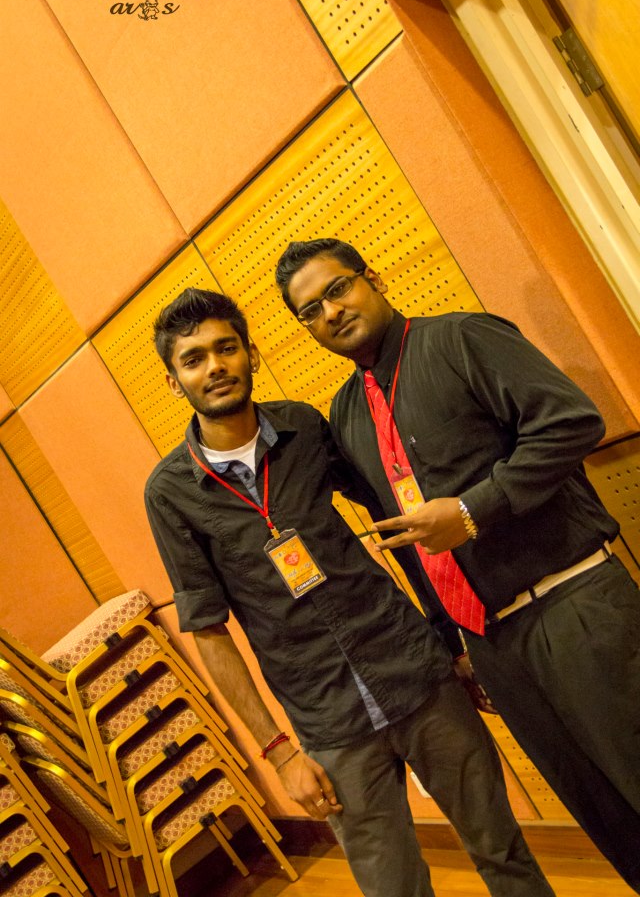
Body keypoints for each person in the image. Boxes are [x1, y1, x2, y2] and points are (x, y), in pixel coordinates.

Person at [144, 287, 555, 897]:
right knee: (393, 888)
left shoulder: (305, 427)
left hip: (415, 673)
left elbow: (403, 524)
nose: (215, 367)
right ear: (175, 381)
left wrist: (451, 641)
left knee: (504, 852)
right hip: (327, 718)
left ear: (251, 352)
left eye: (226, 348)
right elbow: (207, 629)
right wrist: (280, 753)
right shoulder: (170, 492)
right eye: (194, 358)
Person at [275, 238, 640, 893]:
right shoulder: (348, 412)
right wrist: (454, 644)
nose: (330, 311)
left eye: (337, 289)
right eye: (310, 310)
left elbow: (571, 421)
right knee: (605, 815)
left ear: (372, 278)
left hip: (575, 606)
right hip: (494, 647)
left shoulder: (462, 338)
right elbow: (409, 537)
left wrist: (474, 510)